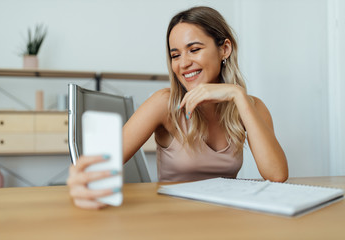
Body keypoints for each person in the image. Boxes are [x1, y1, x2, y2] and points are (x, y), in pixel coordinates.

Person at [67, 6, 288, 209]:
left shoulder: (251, 106)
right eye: (175, 55)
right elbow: (93, 169)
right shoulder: (165, 103)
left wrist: (236, 94)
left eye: (194, 49)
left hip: (223, 219)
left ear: (225, 49)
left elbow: (277, 175)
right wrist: (80, 181)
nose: (183, 64)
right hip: (173, 219)